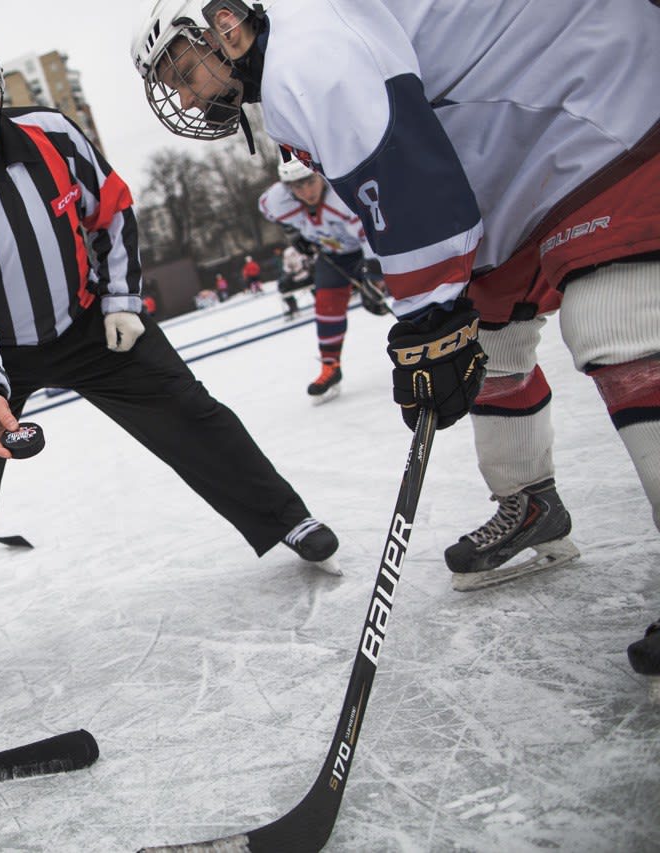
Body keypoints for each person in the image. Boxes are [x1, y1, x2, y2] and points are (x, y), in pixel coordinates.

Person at [132, 0, 660, 678]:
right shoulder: (295, 63)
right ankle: (531, 503)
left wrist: (427, 314)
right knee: (491, 340)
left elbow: (398, 166)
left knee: (620, 322)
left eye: (183, 70)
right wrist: (437, 313)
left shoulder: (306, 49)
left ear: (227, 25)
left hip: (600, 96)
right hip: (523, 151)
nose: (184, 92)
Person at [0, 11, 340, 705]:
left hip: (87, 321)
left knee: (189, 410)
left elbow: (112, 210)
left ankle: (285, 517)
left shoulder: (53, 134)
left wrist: (123, 300)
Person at [259, 158, 381, 401]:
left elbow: (372, 234)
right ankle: (330, 366)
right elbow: (265, 207)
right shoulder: (279, 200)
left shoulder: (342, 199)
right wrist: (293, 232)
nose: (306, 192)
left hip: (365, 252)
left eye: (310, 183)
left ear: (320, 177)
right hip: (332, 255)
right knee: (326, 306)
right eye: (297, 187)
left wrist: (376, 277)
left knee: (394, 296)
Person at [278, 242, 311, 320]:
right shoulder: (299, 249)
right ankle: (294, 308)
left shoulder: (289, 253)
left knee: (283, 287)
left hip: (301, 278)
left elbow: (287, 268)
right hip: (306, 277)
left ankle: (294, 308)